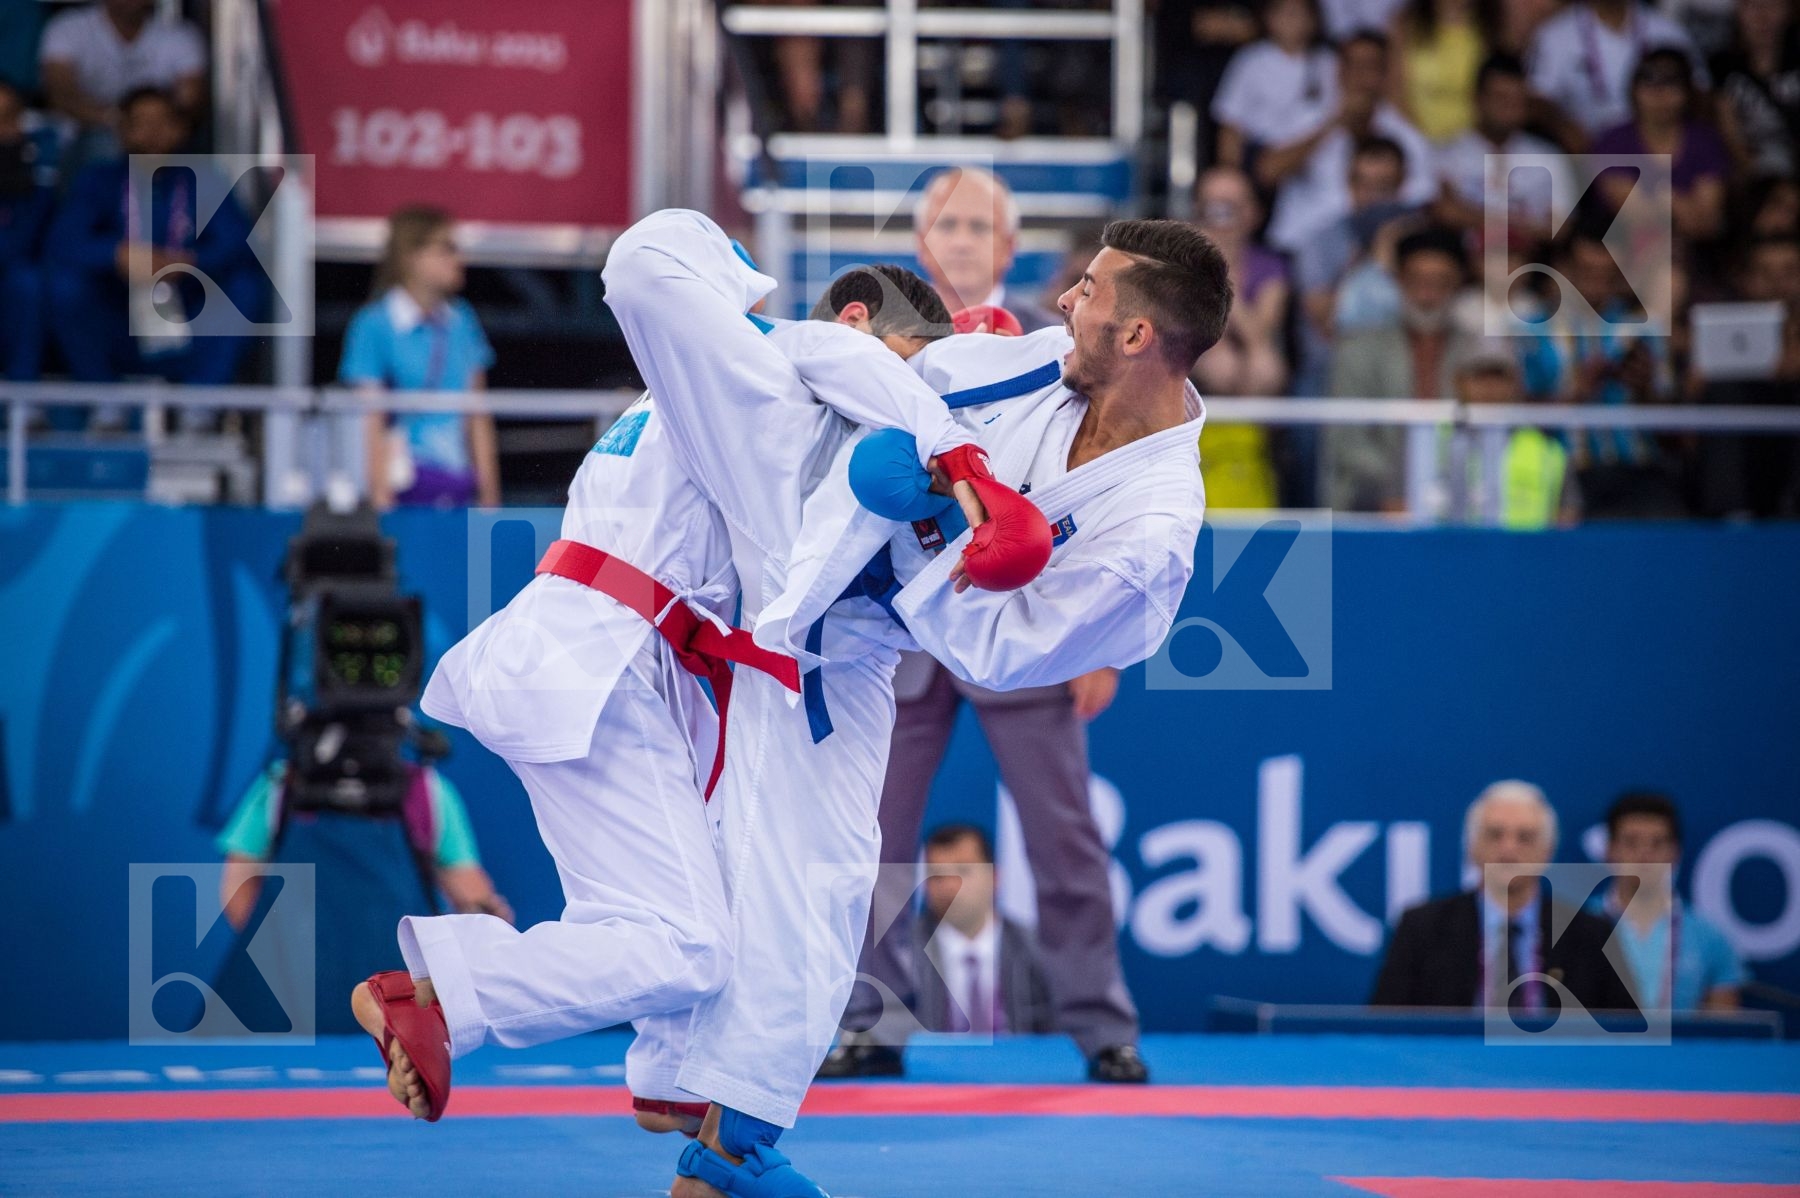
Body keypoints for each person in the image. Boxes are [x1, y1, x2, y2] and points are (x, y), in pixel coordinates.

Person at [600, 211, 1223, 1196]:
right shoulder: (1045, 361)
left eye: (1091, 289)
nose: (1067, 300)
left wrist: (933, 514)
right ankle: (695, 1092)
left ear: (1139, 333)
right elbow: (900, 388)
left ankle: (719, 1125)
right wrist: (936, 451)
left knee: (822, 874)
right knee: (647, 261)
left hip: (849, 624)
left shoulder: (1148, 537)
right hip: (785, 488)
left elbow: (1003, 650)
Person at [358, 245, 990, 1139]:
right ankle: (434, 994)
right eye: (903, 364)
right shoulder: (774, 354)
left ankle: (669, 1079)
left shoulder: (685, 384)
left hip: (584, 648)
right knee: (688, 945)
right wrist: (958, 446)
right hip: (605, 660)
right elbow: (841, 365)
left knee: (664, 916)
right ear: (856, 324)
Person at [42, 87, 263, 431]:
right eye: (141, 124)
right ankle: (105, 403)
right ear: (123, 130)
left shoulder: (204, 178)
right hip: (120, 322)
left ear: (181, 130)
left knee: (244, 286)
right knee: (64, 286)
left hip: (186, 322)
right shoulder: (98, 180)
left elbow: (237, 244)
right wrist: (116, 255)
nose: (153, 134)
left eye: (163, 123)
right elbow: (62, 242)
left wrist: (190, 262)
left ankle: (199, 408)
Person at [1370, 780, 1637, 1012]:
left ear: (1547, 851)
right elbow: (1386, 1030)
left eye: (1525, 837)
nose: (1508, 849)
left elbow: (1625, 1034)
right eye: (1495, 835)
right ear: (1472, 848)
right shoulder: (1422, 929)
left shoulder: (1591, 934)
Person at [218, 758, 510, 931]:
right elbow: (239, 885)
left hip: (402, 994)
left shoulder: (429, 792)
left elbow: (472, 896)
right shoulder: (282, 785)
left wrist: (487, 918)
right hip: (298, 995)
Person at [340, 206, 501, 510]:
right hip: (401, 490)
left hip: (458, 488)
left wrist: (489, 500)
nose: (459, 259)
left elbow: (478, 416)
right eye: (446, 249)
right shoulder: (372, 324)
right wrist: (379, 501)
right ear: (411, 256)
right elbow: (369, 420)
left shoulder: (463, 322)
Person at [1326, 225, 1489, 512]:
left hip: (1459, 497)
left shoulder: (1479, 353)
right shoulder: (1357, 350)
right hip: (1376, 500)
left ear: (1459, 284)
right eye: (1417, 281)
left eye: (1441, 283)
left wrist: (1446, 487)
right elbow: (1349, 444)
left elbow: (1488, 437)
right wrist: (1411, 487)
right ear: (1398, 280)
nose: (1427, 295)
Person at [1259, 32, 1440, 255]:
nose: (1359, 75)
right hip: (1300, 245)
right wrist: (1333, 124)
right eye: (1351, 64)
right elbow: (1267, 171)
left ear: (1384, 75)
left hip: (1374, 252)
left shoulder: (1405, 135)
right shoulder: (1305, 118)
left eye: (1369, 66)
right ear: (1338, 70)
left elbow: (1421, 202)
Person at [1587, 791, 1748, 1011]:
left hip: (1684, 1046)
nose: (1644, 854)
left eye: (1657, 843)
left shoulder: (1710, 937)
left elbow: (1724, 1034)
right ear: (1609, 850)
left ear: (1675, 852)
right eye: (1631, 842)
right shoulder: (1575, 925)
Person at [905, 824, 1056, 1036]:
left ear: (994, 877)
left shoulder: (1039, 949)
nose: (949, 886)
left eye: (963, 870)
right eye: (936, 876)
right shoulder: (901, 954)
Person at [38, 0, 205, 167]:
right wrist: (120, 122)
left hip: (159, 135)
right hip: (82, 136)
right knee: (104, 143)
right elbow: (61, 96)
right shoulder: (68, 27)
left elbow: (189, 102)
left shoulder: (179, 35)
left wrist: (153, 128)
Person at [1590, 49, 1730, 247]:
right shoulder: (1613, 141)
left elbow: (1706, 221)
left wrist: (1654, 196)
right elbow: (1631, 214)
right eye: (1650, 83)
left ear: (1687, 91)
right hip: (1620, 250)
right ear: (1633, 89)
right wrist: (1680, 202)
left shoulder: (1704, 141)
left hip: (1694, 251)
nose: (1660, 94)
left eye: (1671, 83)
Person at [1432, 54, 1572, 247]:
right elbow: (1446, 213)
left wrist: (1473, 216)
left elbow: (1560, 228)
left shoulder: (1550, 157)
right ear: (1478, 99)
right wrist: (1524, 225)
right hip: (1469, 261)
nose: (1509, 107)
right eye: (1500, 98)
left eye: (1517, 100)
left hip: (1532, 264)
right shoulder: (1446, 154)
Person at [1526, 0, 1703, 146]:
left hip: (1656, 146)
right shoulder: (1555, 34)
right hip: (1585, 149)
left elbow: (1701, 94)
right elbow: (1537, 99)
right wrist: (1563, 127)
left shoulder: (1668, 31)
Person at [913, 166, 1060, 331]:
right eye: (947, 225)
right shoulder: (886, 341)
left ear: (1009, 246)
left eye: (980, 227)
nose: (962, 243)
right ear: (921, 243)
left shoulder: (1052, 342)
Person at [1210, 0, 1337, 170]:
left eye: (1298, 13)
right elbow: (1230, 122)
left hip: (1317, 155)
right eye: (1284, 13)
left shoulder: (1328, 62)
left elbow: (1339, 116)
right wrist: (1230, 171)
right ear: (1269, 18)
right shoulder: (1251, 59)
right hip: (1261, 157)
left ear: (1314, 20)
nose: (1290, 20)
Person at [1388, 0, 1499, 143]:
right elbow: (1393, 89)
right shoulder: (1405, 24)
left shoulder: (1489, 29)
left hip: (1469, 142)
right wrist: (1418, 138)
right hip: (1410, 136)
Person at [1711, 0, 1800, 178]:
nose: (1762, 16)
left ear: (1790, 11)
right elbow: (1731, 137)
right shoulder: (1723, 66)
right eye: (1752, 5)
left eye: (1772, 5)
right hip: (1754, 180)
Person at [0, 79, 49, 387]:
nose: (7, 130)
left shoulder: (34, 187)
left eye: (10, 118)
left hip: (10, 290)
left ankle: (24, 399)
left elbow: (27, 246)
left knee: (28, 283)